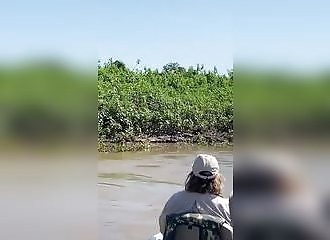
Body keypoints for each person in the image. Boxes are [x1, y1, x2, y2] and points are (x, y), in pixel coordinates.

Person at [158, 154, 232, 236]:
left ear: (192, 175)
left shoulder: (175, 199)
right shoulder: (224, 205)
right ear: (217, 178)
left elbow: (163, 229)